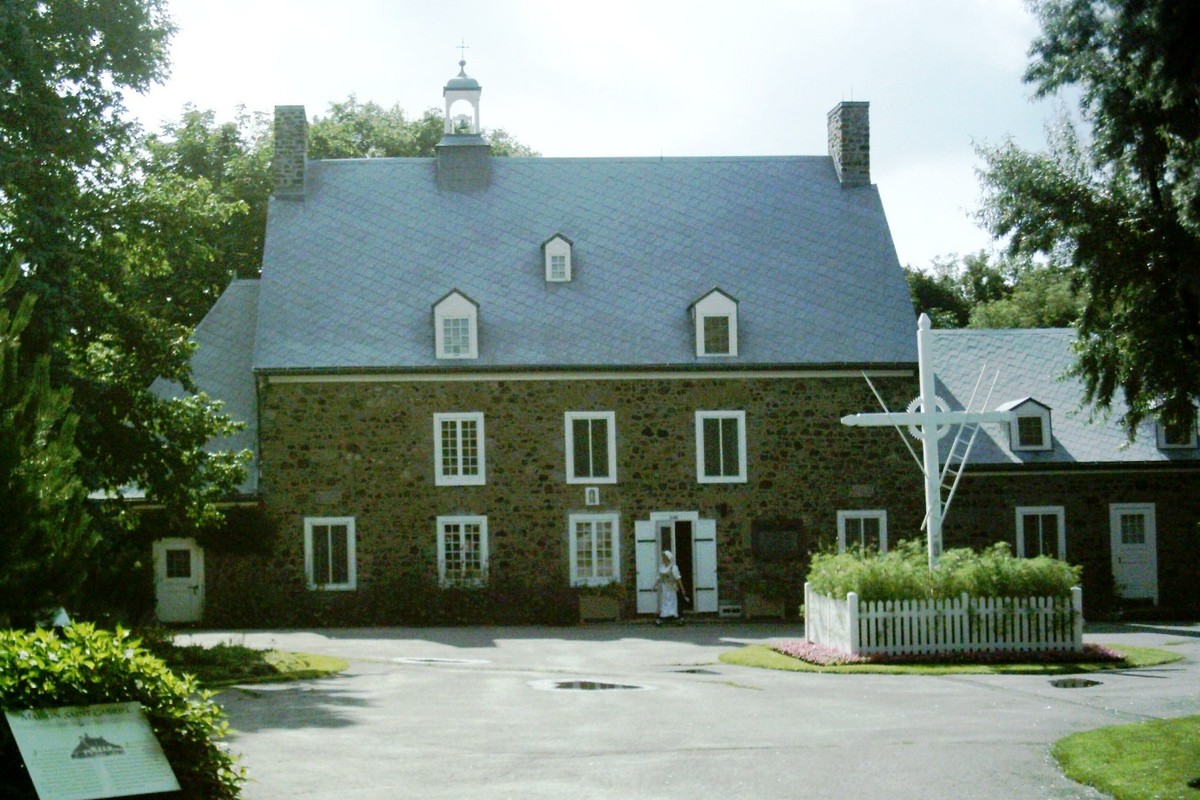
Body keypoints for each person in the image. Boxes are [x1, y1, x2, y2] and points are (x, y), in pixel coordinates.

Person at [654, 550, 688, 625]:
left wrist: (682, 589)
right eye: (662, 557)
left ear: (667, 558)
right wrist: (656, 584)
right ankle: (664, 616)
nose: (662, 558)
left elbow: (678, 578)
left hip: (672, 587)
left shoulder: (673, 567)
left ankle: (675, 616)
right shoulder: (662, 567)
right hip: (664, 587)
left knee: (672, 601)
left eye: (664, 557)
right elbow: (659, 577)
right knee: (664, 601)